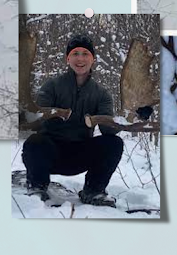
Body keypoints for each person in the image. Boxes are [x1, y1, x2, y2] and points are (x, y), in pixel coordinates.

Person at [22, 34, 124, 207]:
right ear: (67, 58)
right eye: (75, 53)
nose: (80, 58)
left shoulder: (102, 94)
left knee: (114, 143)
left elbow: (108, 131)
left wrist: (135, 116)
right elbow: (35, 121)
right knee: (34, 142)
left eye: (85, 53)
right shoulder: (52, 86)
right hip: (50, 152)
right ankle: (37, 187)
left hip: (80, 154)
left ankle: (93, 191)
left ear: (93, 59)